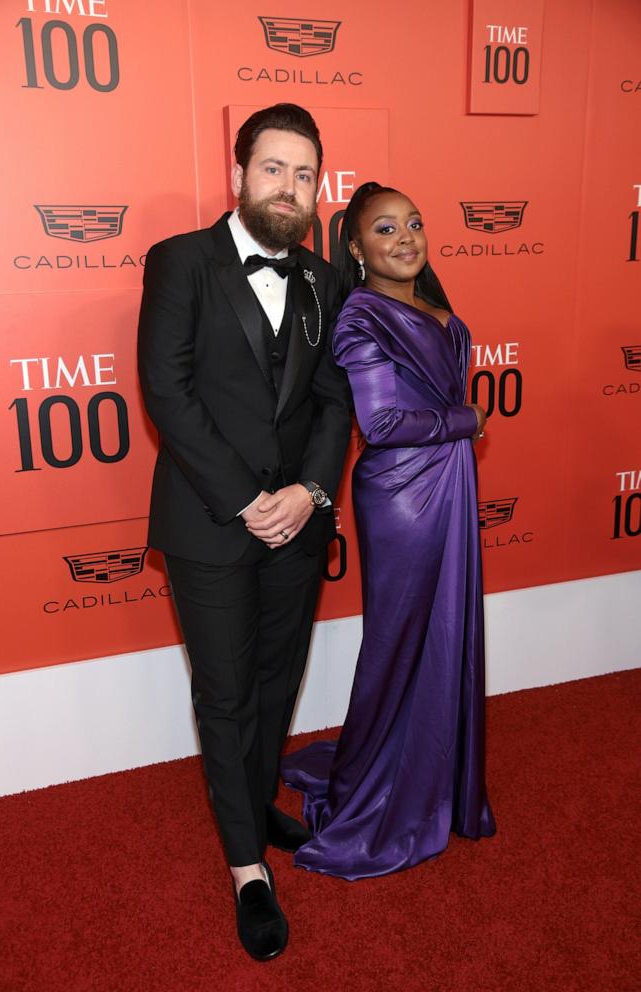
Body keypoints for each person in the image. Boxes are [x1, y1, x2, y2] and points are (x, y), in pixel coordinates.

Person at [137, 104, 351, 959]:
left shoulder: (329, 280)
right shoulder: (181, 262)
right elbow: (167, 391)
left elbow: (333, 401)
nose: (289, 188)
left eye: (304, 174)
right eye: (274, 168)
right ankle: (245, 870)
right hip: (209, 523)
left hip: (298, 524)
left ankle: (256, 796)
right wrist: (246, 498)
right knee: (224, 694)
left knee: (275, 677)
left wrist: (306, 490)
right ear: (238, 174)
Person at [281, 182, 496, 880]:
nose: (404, 239)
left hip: (451, 485)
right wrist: (466, 421)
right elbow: (380, 427)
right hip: (402, 498)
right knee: (400, 639)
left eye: (413, 224)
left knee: (446, 631)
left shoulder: (437, 310)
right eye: (383, 229)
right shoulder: (359, 317)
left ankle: (436, 773)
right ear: (354, 246)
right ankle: (377, 781)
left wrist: (457, 432)